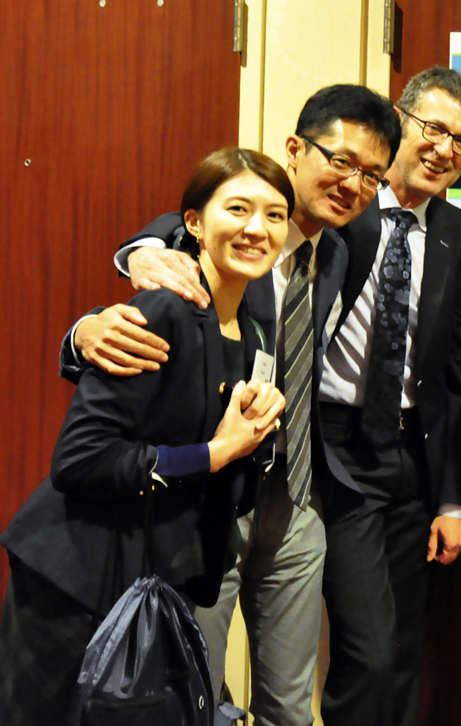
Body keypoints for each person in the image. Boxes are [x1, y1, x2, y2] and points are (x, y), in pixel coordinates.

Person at [60, 85, 401, 726]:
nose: (354, 184)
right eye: (342, 160)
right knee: (194, 687)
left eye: (371, 176)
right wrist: (81, 332)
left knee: (291, 703)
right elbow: (159, 249)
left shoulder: (345, 250)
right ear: (296, 150)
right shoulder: (219, 241)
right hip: (213, 498)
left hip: (297, 497)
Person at [0, 147, 289, 726]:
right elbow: (80, 460)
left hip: (157, 574)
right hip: (80, 573)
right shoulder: (164, 310)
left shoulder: (254, 330)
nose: (257, 228)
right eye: (238, 208)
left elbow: (222, 471)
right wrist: (214, 453)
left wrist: (254, 440)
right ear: (193, 226)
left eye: (275, 214)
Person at [316, 65, 461, 726]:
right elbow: (228, 204)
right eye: (435, 129)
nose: (446, 150)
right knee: (372, 653)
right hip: (335, 450)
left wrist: (454, 499)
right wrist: (148, 249)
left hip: (412, 463)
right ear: (401, 121)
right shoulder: (341, 203)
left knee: (405, 649)